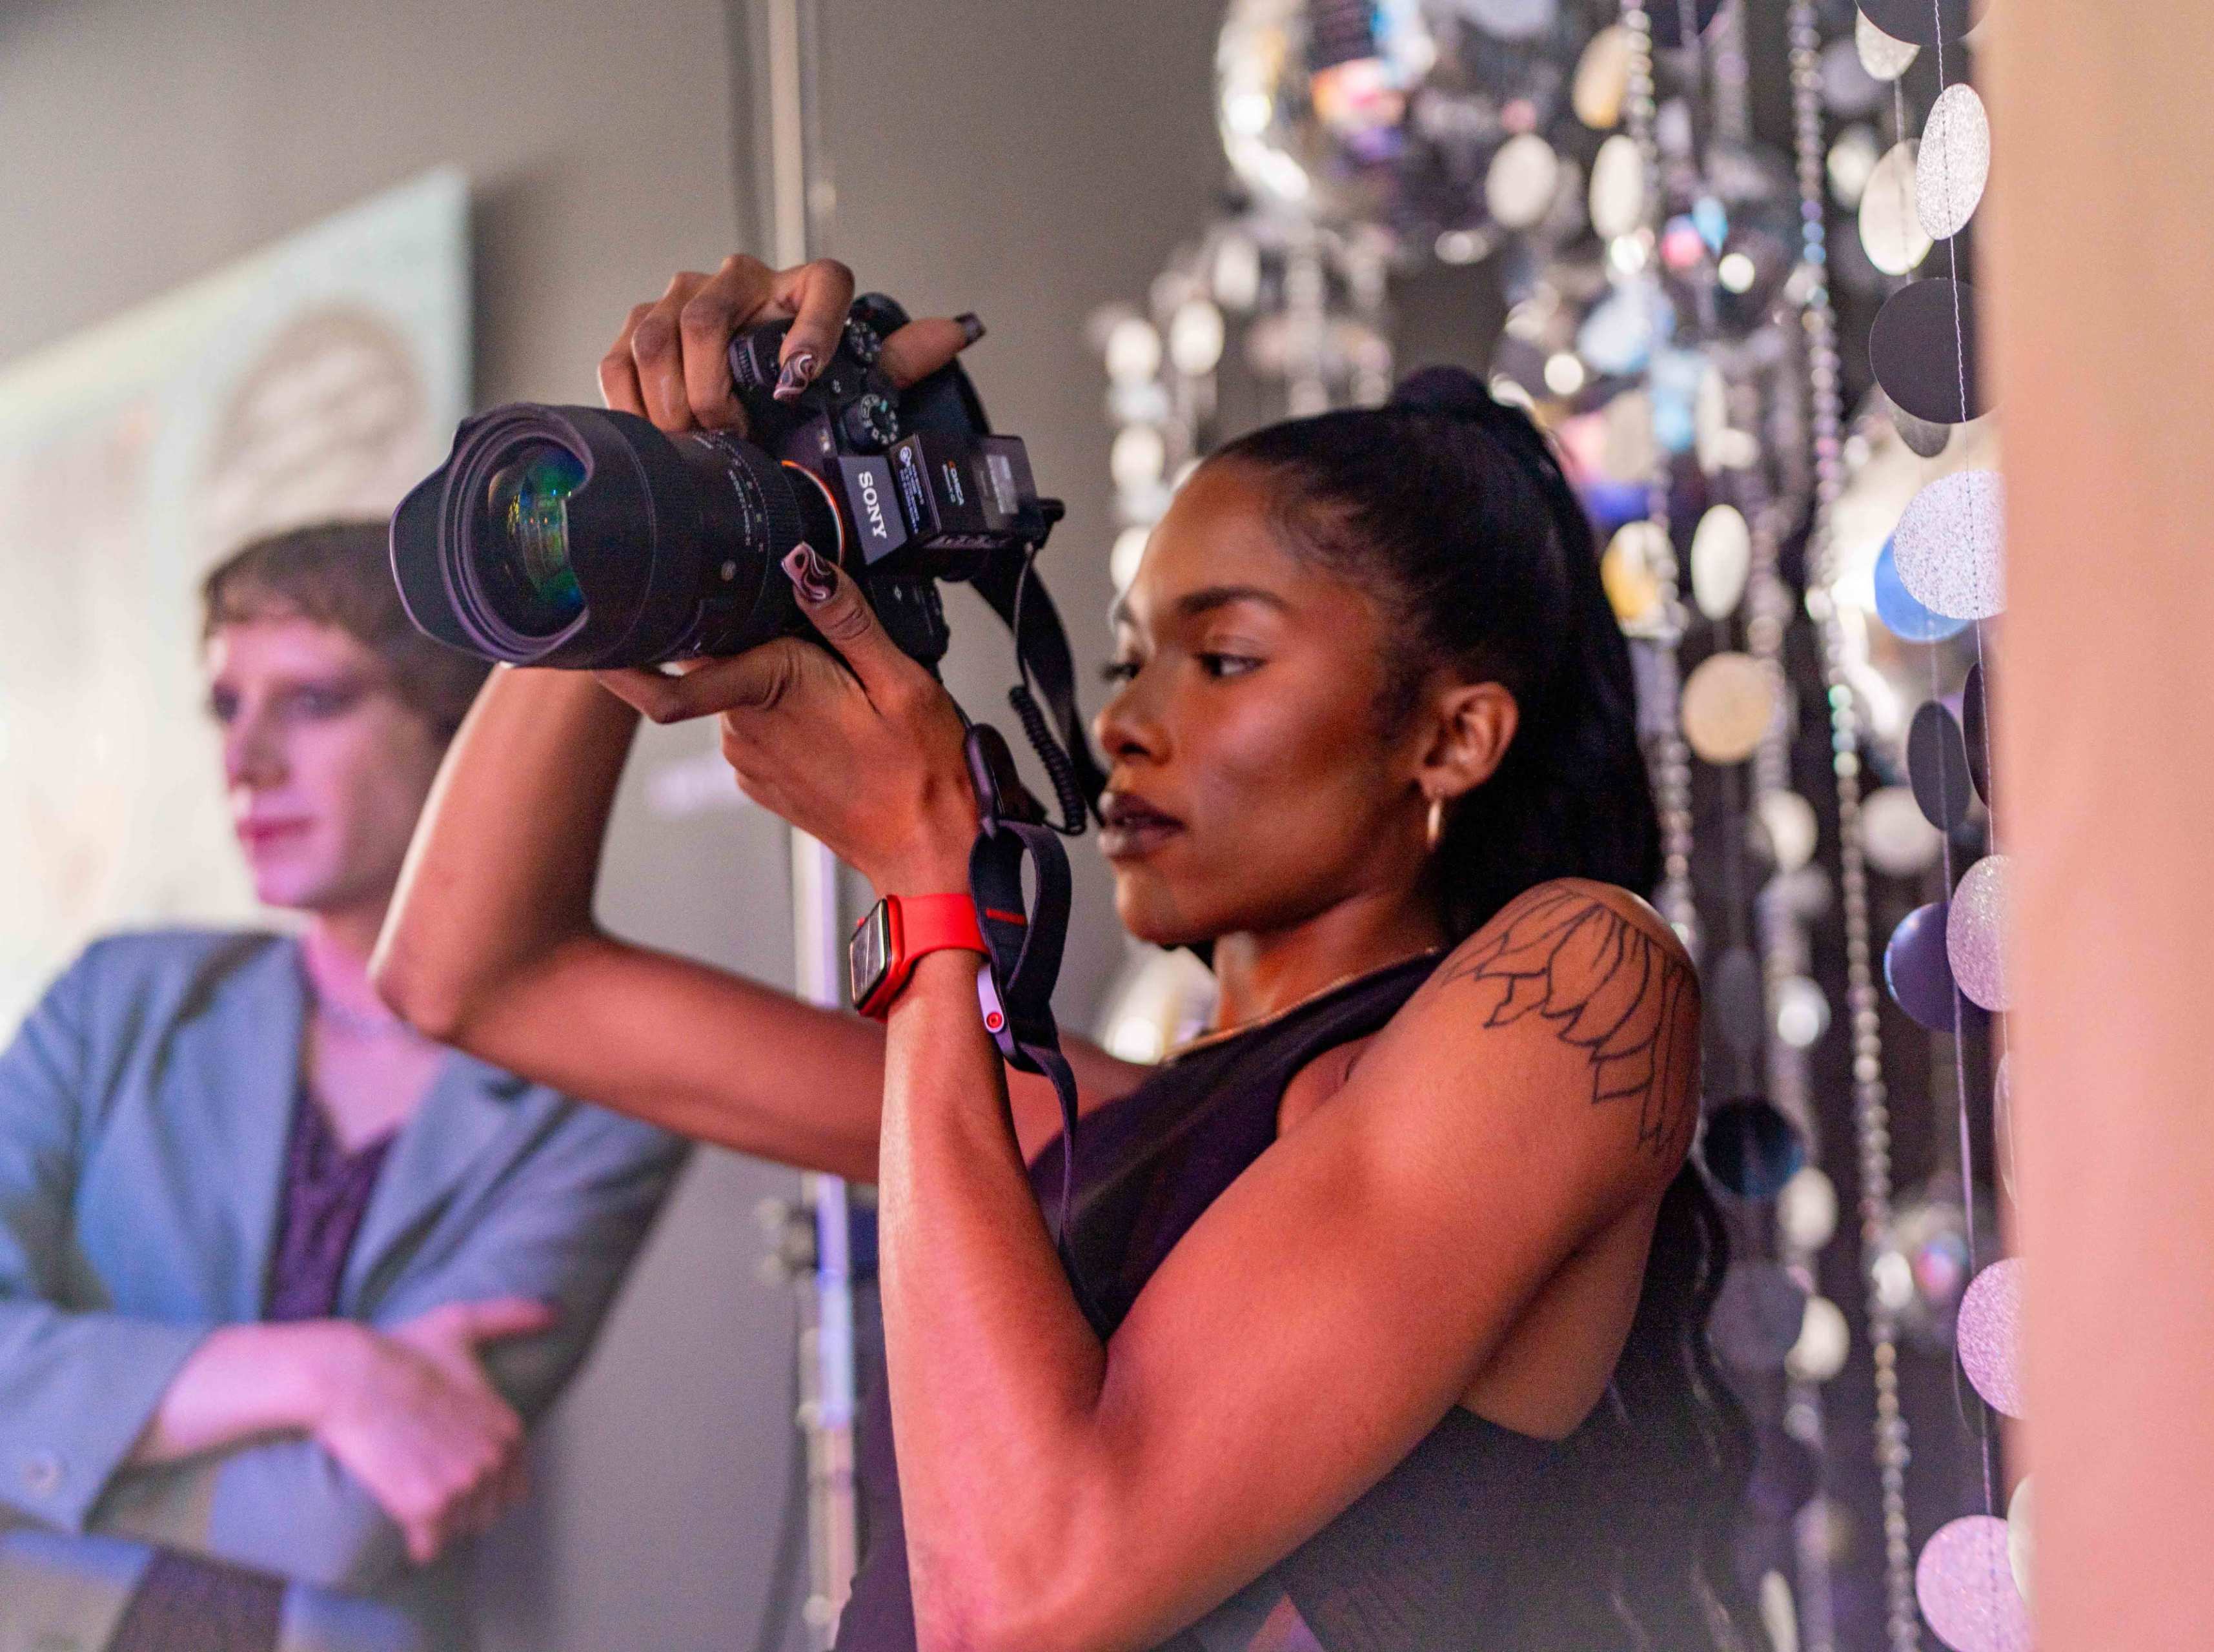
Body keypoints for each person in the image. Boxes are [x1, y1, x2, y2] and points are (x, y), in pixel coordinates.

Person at [377, 256, 1750, 1652]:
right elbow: (474, 972)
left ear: (1451, 737)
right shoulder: (1071, 1120)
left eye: (1221, 661)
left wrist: (926, 875)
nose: (1129, 728)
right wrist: (660, 511)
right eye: (1122, 665)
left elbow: (1019, 1600)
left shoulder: (1584, 980)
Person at [0, 524, 686, 1652]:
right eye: (228, 708)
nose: (247, 761)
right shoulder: (113, 1001)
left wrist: (56, 1445)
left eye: (314, 702)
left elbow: (357, 1514)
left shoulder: (598, 1092)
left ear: (455, 733)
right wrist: (329, 1374)